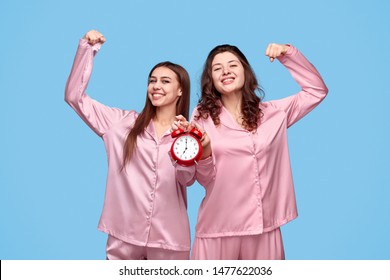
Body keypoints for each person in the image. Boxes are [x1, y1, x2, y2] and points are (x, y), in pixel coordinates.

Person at [64, 30, 213, 260]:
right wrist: (87, 49)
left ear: (180, 90)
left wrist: (183, 145)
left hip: (169, 241)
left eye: (165, 81)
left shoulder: (188, 132)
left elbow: (187, 179)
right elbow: (74, 97)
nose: (156, 86)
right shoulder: (120, 123)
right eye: (152, 81)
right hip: (123, 238)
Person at [174, 43, 328, 260]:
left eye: (232, 65)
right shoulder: (202, 117)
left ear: (245, 72)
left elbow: (317, 91)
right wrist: (205, 151)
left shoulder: (274, 113)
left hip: (264, 228)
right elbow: (203, 177)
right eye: (217, 68)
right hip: (218, 228)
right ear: (211, 79)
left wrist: (289, 55)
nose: (225, 71)